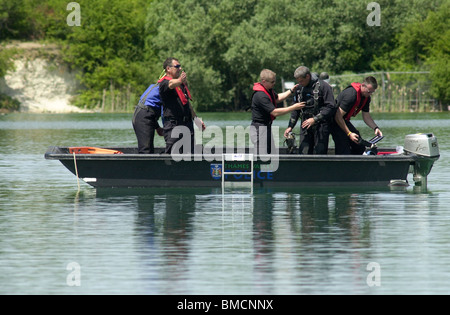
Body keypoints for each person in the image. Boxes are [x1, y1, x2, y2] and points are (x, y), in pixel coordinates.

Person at [250, 69, 305, 155]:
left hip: (266, 127)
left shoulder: (268, 90)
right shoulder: (260, 96)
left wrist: (291, 91)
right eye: (272, 82)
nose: (274, 83)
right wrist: (294, 107)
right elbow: (275, 112)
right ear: (264, 81)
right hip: (259, 128)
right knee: (261, 156)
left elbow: (276, 98)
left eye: (275, 81)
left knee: (270, 153)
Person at [283, 66, 336, 154]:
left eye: (301, 81)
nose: (299, 83)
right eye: (298, 81)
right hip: (305, 124)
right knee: (303, 153)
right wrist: (290, 126)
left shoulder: (324, 87)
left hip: (321, 125)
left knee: (320, 153)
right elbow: (296, 109)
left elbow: (330, 107)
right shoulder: (299, 88)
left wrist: (314, 119)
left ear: (307, 76)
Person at [158, 58, 205, 154]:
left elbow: (186, 103)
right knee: (172, 154)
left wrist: (196, 119)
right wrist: (180, 80)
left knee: (190, 154)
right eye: (177, 66)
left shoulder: (181, 85)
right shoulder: (164, 83)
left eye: (180, 66)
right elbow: (171, 84)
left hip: (187, 124)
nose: (180, 68)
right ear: (168, 69)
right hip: (173, 125)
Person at [331, 76, 383, 155]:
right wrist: (349, 133)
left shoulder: (366, 97)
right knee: (343, 149)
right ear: (363, 85)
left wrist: (375, 128)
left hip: (344, 120)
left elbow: (366, 116)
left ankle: (354, 164)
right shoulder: (351, 95)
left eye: (372, 92)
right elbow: (337, 116)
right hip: (334, 122)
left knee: (360, 146)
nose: (370, 94)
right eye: (369, 91)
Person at [132, 81, 164, 154]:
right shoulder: (165, 87)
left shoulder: (157, 85)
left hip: (145, 114)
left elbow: (151, 111)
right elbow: (148, 111)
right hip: (143, 116)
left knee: (149, 149)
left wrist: (157, 127)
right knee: (146, 150)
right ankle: (144, 165)